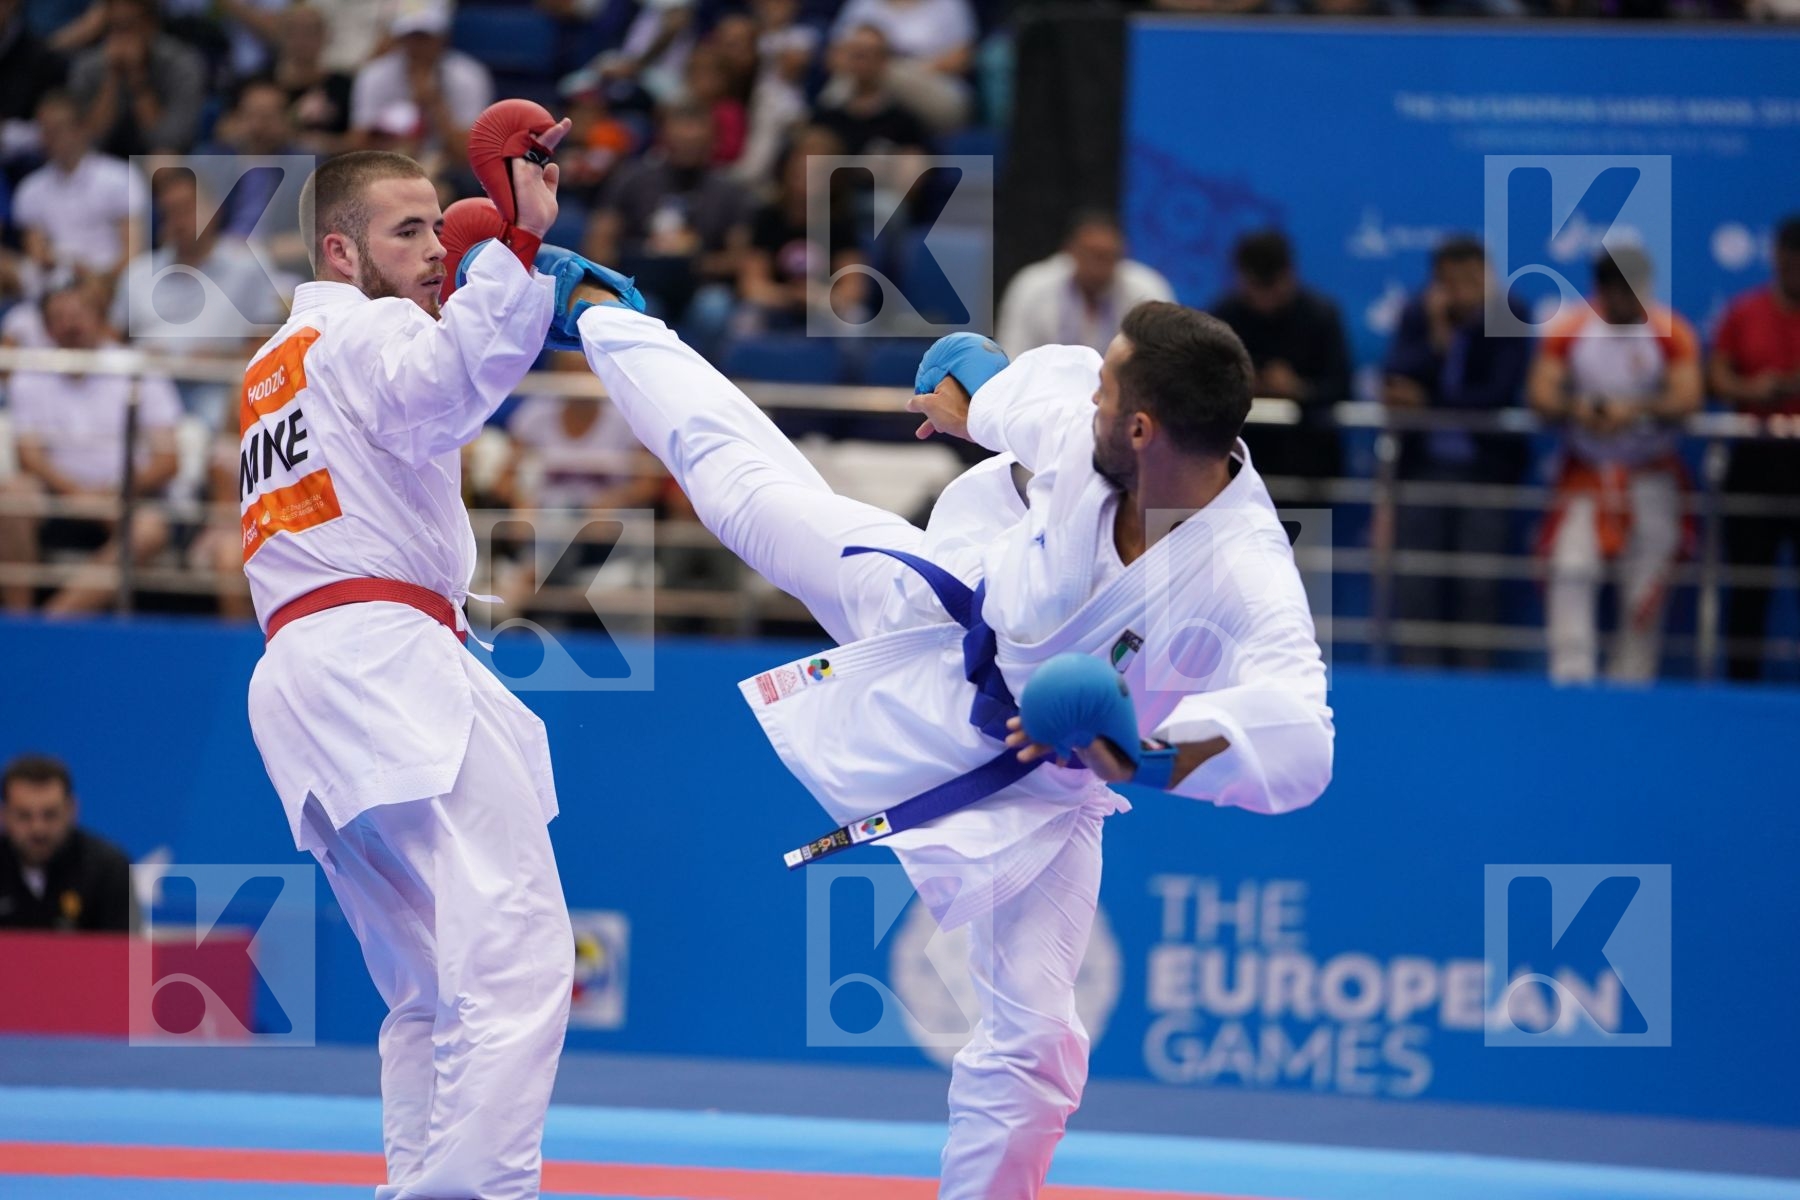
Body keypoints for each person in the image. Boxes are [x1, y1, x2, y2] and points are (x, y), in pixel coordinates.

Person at [557, 269, 1332, 1196]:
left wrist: (1134, 755)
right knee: (748, 495)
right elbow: (1011, 391)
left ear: (1142, 430)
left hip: (1046, 784)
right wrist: (968, 385)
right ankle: (598, 310)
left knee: (1039, 1050)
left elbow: (1300, 749)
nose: (1088, 400)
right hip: (934, 628)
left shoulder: (1247, 572)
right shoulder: (1092, 434)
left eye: (1106, 392)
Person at [242, 143, 575, 1200]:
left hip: (306, 670)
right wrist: (518, 248)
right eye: (410, 232)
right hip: (382, 656)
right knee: (516, 948)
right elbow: (448, 383)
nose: (438, 251)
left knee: (429, 981)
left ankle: (416, 1183)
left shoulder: (272, 363)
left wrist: (504, 273)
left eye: (443, 227)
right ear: (340, 251)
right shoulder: (365, 327)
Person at [1529, 247, 1701, 685]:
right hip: (1586, 476)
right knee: (1571, 571)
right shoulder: (1571, 330)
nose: (1634, 300)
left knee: (1645, 588)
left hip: (1649, 473)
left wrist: (1635, 411)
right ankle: (1572, 680)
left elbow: (1687, 397)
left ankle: (1633, 682)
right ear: (1603, 290)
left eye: (1639, 290)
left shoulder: (1670, 331)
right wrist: (1577, 408)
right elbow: (1542, 395)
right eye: (1623, 292)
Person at [1381, 236, 1533, 669]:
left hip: (1485, 471)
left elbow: (1497, 394)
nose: (1461, 291)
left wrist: (1431, 399)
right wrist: (1436, 337)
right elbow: (1395, 380)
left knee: (1478, 580)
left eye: (1471, 280)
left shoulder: (1510, 315)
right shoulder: (1418, 314)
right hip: (1422, 467)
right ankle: (1417, 676)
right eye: (1451, 282)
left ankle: (1476, 675)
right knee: (1416, 579)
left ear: (1488, 278)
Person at [0, 280, 181, 615]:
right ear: (47, 327)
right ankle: (18, 618)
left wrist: (113, 492)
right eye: (59, 316)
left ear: (99, 316)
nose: (71, 324)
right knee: (11, 495)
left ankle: (51, 621)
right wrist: (76, 495)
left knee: (150, 529)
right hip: (57, 497)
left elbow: (168, 460)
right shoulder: (29, 376)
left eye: (78, 313)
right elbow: (29, 456)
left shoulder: (140, 369)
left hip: (126, 496)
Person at [1710, 214, 1800, 682]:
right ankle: (1740, 689)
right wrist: (1752, 388)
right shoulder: (1743, 312)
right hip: (1755, 459)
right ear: (1777, 257)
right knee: (1748, 586)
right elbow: (1718, 376)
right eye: (1790, 257)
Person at [1208, 229, 1350, 485]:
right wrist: (1248, 387)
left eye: (1270, 285)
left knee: (1306, 526)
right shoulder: (1223, 317)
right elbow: (1201, 387)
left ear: (1288, 275)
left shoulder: (1321, 317)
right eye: (1255, 286)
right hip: (1234, 469)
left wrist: (1300, 390)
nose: (1264, 298)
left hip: (1306, 469)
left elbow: (1342, 386)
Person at [11, 90, 139, 301]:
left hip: (109, 282)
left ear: (81, 129)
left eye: (58, 129)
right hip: (55, 286)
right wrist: (62, 264)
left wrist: (98, 279)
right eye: (45, 130)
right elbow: (37, 254)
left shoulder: (119, 177)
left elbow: (133, 254)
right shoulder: (30, 189)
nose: (51, 138)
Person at [996, 210, 1174, 358]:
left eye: (1108, 256)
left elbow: (1163, 359)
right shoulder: (1032, 285)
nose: (1098, 267)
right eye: (1092, 255)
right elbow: (1011, 354)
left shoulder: (1148, 288)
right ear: (1070, 250)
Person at [0, 753, 134, 932]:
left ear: (72, 810)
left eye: (50, 814)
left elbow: (126, 953)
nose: (38, 829)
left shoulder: (108, 869)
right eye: (24, 816)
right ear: (4, 815)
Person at [349, 0, 493, 164]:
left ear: (442, 37)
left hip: (449, 166)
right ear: (400, 38)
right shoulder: (375, 74)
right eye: (411, 36)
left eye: (425, 37)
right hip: (389, 162)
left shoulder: (469, 76)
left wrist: (434, 104)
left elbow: (468, 154)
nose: (418, 45)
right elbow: (358, 144)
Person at [65, 0, 206, 157]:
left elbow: (168, 141)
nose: (122, 37)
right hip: (102, 167)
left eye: (129, 26)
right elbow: (86, 141)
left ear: (151, 25)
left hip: (155, 165)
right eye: (114, 27)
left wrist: (137, 77)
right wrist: (112, 76)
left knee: (163, 161)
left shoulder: (181, 64)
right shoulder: (88, 66)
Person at [813, 25, 929, 157]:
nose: (864, 61)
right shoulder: (828, 111)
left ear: (885, 60)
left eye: (872, 53)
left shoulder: (903, 117)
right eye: (858, 54)